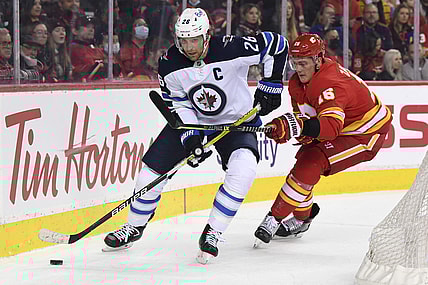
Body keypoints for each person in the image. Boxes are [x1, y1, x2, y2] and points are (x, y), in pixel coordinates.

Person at [103, 8, 288, 263]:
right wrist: (190, 136)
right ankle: (134, 226)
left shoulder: (231, 48)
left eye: (195, 40)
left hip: (237, 122)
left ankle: (213, 232)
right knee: (150, 172)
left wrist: (272, 84)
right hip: (196, 123)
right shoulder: (169, 63)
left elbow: (277, 45)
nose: (189, 47)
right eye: (184, 40)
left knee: (243, 170)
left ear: (207, 36)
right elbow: (178, 102)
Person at [254, 33, 392, 245]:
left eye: (303, 63)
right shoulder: (298, 83)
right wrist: (290, 128)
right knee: (305, 161)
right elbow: (305, 119)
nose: (298, 69)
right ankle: (302, 219)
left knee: (312, 161)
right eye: (294, 63)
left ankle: (274, 217)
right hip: (345, 127)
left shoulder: (330, 85)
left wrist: (297, 126)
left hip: (366, 133)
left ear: (318, 59)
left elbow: (329, 127)